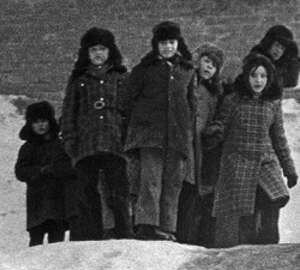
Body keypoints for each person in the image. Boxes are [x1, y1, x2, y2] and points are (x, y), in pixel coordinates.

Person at [207, 53, 297, 248]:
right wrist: (212, 133)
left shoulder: (272, 103)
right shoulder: (233, 100)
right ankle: (247, 256)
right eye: (254, 75)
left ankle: (269, 249)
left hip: (266, 162)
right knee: (246, 212)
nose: (258, 81)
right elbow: (221, 125)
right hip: (239, 162)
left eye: (263, 76)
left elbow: (279, 138)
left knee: (274, 199)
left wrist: (289, 170)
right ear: (246, 77)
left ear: (269, 79)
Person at [125, 20, 195, 241]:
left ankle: (167, 227)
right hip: (149, 136)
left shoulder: (187, 71)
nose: (167, 47)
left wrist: (187, 132)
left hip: (177, 137)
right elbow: (128, 100)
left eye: (172, 42)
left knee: (172, 182)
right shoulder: (143, 70)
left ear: (178, 43)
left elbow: (191, 105)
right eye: (163, 43)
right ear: (156, 45)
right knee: (150, 180)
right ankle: (147, 225)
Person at [61, 26, 133, 240]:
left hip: (114, 142)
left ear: (110, 51)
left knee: (118, 191)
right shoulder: (79, 80)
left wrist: (128, 138)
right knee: (86, 192)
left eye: (102, 49)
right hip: (87, 144)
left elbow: (129, 110)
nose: (98, 54)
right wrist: (70, 140)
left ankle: (124, 236)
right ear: (87, 53)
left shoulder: (121, 78)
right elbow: (68, 112)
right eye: (93, 50)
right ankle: (90, 238)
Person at [176, 43, 225, 246]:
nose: (208, 67)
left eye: (213, 65)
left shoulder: (213, 93)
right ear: (199, 61)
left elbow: (213, 120)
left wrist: (212, 132)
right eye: (206, 61)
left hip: (200, 150)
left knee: (194, 192)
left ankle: (189, 237)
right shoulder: (189, 81)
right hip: (184, 143)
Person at [14, 101, 74, 246]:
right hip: (37, 201)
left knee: (56, 241)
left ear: (50, 122)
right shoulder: (27, 148)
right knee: (36, 241)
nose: (41, 125)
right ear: (30, 125)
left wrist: (55, 170)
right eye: (36, 122)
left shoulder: (59, 145)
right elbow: (20, 171)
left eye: (44, 121)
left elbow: (68, 167)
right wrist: (40, 171)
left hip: (57, 200)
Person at [247, 25, 299, 90]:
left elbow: (292, 81)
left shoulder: (280, 62)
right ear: (269, 43)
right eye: (277, 45)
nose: (278, 50)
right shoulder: (256, 58)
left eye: (282, 48)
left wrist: (293, 60)